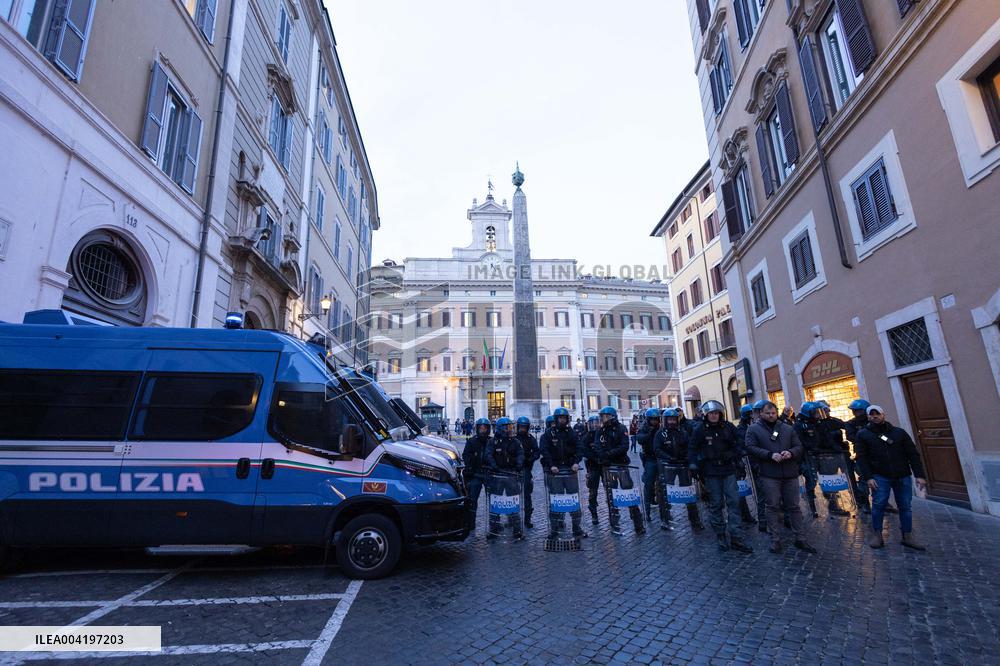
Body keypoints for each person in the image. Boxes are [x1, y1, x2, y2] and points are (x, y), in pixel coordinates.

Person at [745, 401, 817, 554]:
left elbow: (799, 447)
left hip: (790, 473)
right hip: (769, 474)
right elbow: (750, 447)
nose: (771, 416)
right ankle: (775, 540)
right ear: (761, 414)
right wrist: (770, 455)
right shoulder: (753, 429)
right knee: (772, 506)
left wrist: (790, 453)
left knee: (794, 507)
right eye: (767, 413)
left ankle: (801, 538)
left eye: (773, 413)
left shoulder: (787, 428)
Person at [855, 405, 928, 550]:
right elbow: (861, 458)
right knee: (878, 505)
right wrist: (868, 477)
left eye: (877, 414)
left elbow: (912, 454)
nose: (875, 416)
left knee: (905, 506)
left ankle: (907, 535)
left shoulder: (899, 433)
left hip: (902, 475)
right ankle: (877, 535)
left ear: (883, 415)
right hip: (879, 475)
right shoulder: (863, 434)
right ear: (868, 417)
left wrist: (919, 475)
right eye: (872, 414)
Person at [688, 401, 752, 553]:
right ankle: (721, 535)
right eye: (711, 413)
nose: (714, 415)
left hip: (728, 469)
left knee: (734, 502)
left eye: (716, 413)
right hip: (711, 471)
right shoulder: (700, 429)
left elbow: (738, 443)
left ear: (720, 414)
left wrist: (736, 454)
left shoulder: (728, 427)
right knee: (716, 504)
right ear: (706, 415)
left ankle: (736, 536)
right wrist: (693, 464)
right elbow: (692, 448)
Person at [593, 406, 646, 535]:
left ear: (612, 416)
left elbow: (624, 446)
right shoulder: (600, 431)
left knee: (628, 494)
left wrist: (609, 454)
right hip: (608, 467)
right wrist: (603, 456)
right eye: (602, 417)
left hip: (621, 466)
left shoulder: (621, 428)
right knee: (610, 496)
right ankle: (614, 524)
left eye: (605, 416)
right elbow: (598, 447)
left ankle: (638, 524)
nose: (603, 419)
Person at [539, 407, 587, 538]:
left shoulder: (572, 433)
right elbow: (544, 450)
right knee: (556, 500)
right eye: (560, 418)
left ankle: (577, 528)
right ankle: (555, 529)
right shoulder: (549, 434)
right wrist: (551, 465)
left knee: (573, 499)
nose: (562, 420)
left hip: (570, 471)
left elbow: (580, 447)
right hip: (555, 472)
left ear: (567, 419)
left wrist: (577, 462)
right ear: (556, 419)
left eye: (564, 418)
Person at [796, 402, 850, 517]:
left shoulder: (820, 423)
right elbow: (799, 442)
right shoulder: (799, 425)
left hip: (824, 456)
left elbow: (827, 438)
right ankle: (812, 509)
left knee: (829, 480)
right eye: (816, 413)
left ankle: (834, 505)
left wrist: (836, 448)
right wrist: (811, 448)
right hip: (809, 458)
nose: (818, 415)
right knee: (811, 482)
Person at [654, 408, 704, 531]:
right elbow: (657, 449)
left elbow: (689, 446)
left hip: (682, 465)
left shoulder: (683, 432)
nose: (671, 422)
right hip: (667, 466)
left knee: (688, 491)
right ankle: (665, 519)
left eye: (673, 419)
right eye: (669, 419)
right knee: (665, 492)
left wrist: (686, 457)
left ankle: (695, 520)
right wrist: (669, 458)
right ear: (665, 420)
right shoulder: (660, 434)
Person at [484, 417, 525, 541]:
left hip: (511, 474)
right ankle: (494, 527)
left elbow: (520, 453)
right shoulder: (493, 441)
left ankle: (516, 527)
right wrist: (494, 466)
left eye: (511, 427)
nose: (510, 429)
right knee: (495, 501)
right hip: (497, 475)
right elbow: (488, 454)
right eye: (507, 427)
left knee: (513, 500)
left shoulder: (515, 441)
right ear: (501, 428)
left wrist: (519, 464)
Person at [461, 418, 492, 534]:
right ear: (477, 428)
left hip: (489, 474)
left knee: (493, 499)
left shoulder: (491, 441)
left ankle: (494, 522)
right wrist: (470, 466)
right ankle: (471, 523)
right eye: (481, 428)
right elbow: (465, 455)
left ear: (488, 429)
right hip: (476, 474)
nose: (483, 430)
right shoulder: (471, 441)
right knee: (472, 499)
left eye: (485, 428)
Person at [736, 404, 765, 528]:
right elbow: (743, 444)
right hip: (748, 463)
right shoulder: (741, 429)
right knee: (749, 490)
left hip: (759, 460)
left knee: (762, 489)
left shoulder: (758, 426)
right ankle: (747, 514)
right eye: (752, 413)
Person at [845, 398, 873, 513]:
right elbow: (850, 437)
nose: (856, 413)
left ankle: (884, 502)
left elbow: (883, 435)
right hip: (861, 454)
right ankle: (865, 503)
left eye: (858, 411)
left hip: (877, 454)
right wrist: (865, 437)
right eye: (854, 411)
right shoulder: (851, 424)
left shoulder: (872, 421)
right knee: (863, 479)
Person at [514, 416, 539, 528]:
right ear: (518, 427)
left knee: (527, 494)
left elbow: (537, 452)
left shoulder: (531, 439)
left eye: (524, 427)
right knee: (513, 495)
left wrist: (530, 459)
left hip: (526, 469)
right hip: (514, 470)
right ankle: (513, 518)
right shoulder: (513, 439)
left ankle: (527, 519)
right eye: (521, 427)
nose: (522, 429)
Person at [636, 407, 661, 516]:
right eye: (652, 419)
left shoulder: (661, 427)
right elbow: (640, 439)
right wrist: (649, 434)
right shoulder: (644, 428)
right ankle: (648, 504)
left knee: (661, 482)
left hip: (660, 458)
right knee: (649, 482)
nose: (654, 421)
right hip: (650, 457)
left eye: (656, 419)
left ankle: (662, 502)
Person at [582, 414, 603, 525]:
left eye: (597, 422)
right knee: (592, 491)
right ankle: (594, 513)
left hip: (604, 465)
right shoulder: (586, 437)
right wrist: (594, 458)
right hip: (592, 466)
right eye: (592, 423)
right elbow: (584, 451)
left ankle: (612, 511)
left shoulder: (603, 434)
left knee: (609, 488)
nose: (595, 425)